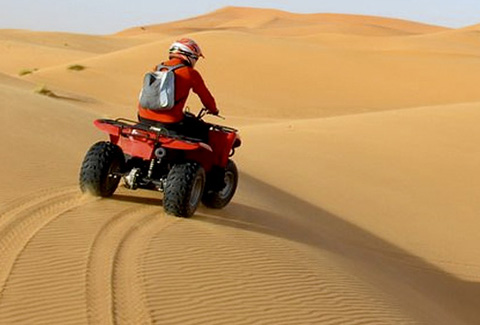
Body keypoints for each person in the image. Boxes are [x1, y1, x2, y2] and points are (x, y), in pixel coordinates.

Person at [137, 38, 219, 141]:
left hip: (143, 118)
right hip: (169, 122)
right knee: (204, 131)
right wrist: (214, 110)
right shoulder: (190, 73)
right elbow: (206, 97)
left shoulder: (157, 68)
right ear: (189, 55)